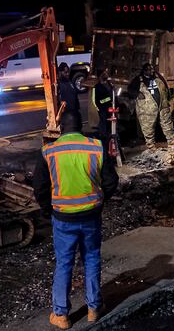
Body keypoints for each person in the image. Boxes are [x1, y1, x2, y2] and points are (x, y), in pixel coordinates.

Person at [33, 110, 119, 330]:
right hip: (91, 215)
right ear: (80, 127)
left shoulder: (48, 152)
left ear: (61, 129)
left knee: (64, 263)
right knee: (91, 259)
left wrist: (48, 209)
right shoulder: (96, 147)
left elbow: (40, 188)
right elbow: (111, 182)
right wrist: (100, 200)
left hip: (63, 218)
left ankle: (61, 315)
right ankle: (93, 309)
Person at [128, 63, 174, 149]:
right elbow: (130, 90)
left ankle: (172, 142)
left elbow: (166, 88)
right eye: (148, 69)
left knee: (167, 124)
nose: (151, 71)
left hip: (162, 106)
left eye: (151, 69)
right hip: (147, 109)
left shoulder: (158, 78)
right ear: (144, 71)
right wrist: (137, 94)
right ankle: (151, 146)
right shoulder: (138, 80)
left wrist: (167, 99)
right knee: (148, 127)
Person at [91, 68, 113, 141]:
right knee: (104, 123)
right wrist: (109, 99)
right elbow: (96, 101)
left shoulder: (109, 84)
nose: (106, 75)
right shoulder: (97, 87)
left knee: (111, 123)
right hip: (102, 109)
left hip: (110, 108)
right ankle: (103, 137)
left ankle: (110, 136)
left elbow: (112, 94)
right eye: (104, 74)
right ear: (100, 76)